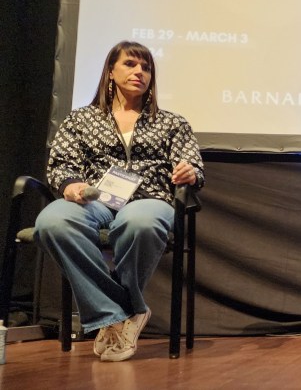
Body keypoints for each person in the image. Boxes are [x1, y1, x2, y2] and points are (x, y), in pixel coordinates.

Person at [35, 41, 204, 362]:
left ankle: (116, 315)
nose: (140, 72)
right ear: (110, 72)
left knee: (139, 222)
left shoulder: (172, 123)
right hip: (95, 197)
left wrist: (189, 172)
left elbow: (193, 165)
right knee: (52, 222)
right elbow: (60, 165)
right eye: (130, 64)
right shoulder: (80, 119)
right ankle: (122, 312)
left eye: (146, 67)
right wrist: (70, 185)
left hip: (150, 197)